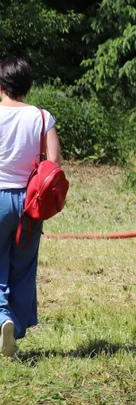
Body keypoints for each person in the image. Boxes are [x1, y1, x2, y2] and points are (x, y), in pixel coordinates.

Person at [0, 57, 62, 359]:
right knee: (23, 268)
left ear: (1, 86)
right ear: (28, 86)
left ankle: (2, 319)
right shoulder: (41, 118)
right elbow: (54, 164)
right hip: (29, 204)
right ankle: (16, 328)